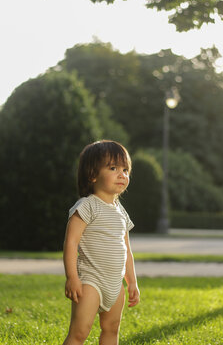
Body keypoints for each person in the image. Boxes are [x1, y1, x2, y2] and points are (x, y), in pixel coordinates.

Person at [62, 140, 140, 345]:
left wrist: (132, 281)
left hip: (116, 284)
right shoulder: (87, 206)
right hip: (91, 281)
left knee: (111, 330)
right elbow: (71, 243)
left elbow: (127, 250)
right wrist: (72, 278)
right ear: (93, 175)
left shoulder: (121, 211)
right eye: (113, 168)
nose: (122, 174)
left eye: (125, 169)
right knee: (79, 332)